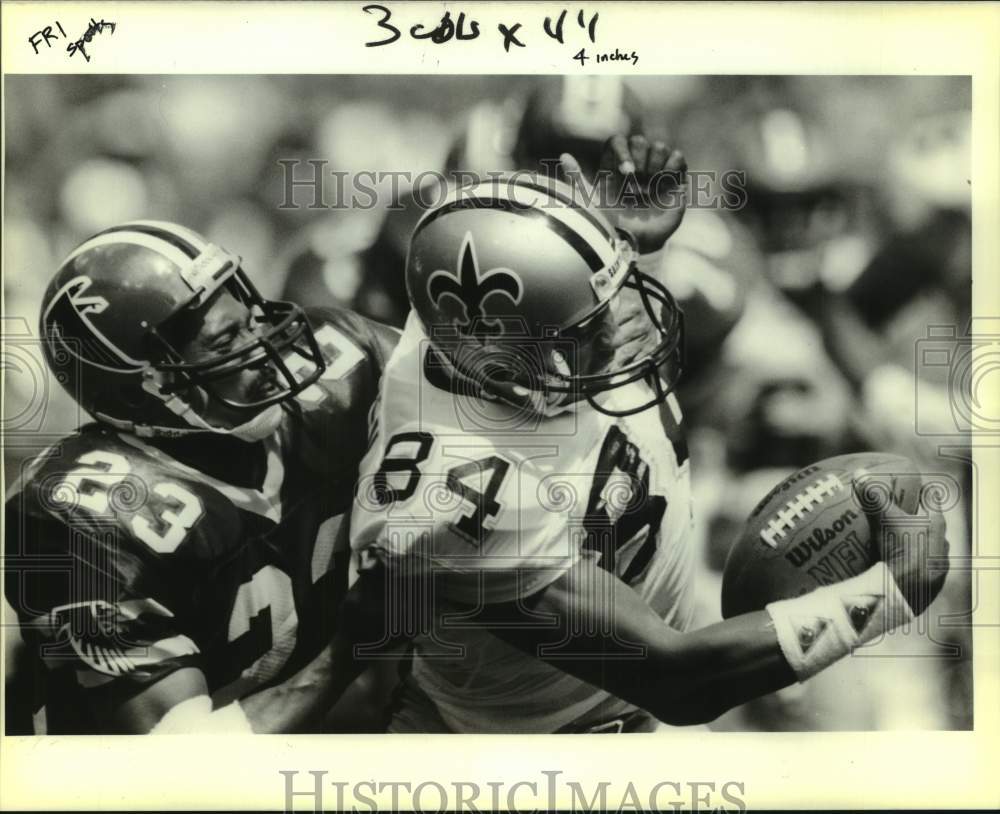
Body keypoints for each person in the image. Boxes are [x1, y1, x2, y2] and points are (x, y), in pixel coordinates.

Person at [343, 135, 951, 733]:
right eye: (590, 326)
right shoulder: (455, 497)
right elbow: (673, 679)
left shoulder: (503, 326)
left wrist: (635, 249)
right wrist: (889, 596)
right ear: (507, 367)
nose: (622, 325)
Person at [3, 220, 400, 734]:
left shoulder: (339, 363)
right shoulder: (84, 520)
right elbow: (185, 768)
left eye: (249, 319)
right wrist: (352, 643)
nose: (262, 347)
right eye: (227, 340)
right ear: (148, 387)